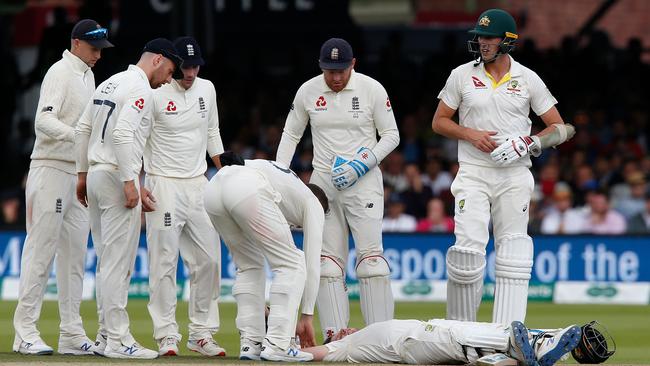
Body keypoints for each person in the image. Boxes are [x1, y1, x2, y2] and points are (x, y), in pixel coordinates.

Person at [432, 8, 575, 325]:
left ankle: (505, 338)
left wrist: (529, 143)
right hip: (473, 173)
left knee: (513, 252)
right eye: (480, 36)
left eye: (489, 37)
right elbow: (439, 121)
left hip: (514, 175)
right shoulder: (461, 75)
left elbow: (562, 129)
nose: (482, 42)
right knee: (467, 252)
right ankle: (460, 336)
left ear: (507, 40)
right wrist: (469, 133)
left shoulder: (527, 79)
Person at [276, 37, 400, 340]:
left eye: (341, 71)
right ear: (321, 67)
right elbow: (291, 134)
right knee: (327, 264)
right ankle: (335, 335)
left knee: (371, 262)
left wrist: (362, 163)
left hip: (365, 182)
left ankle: (380, 337)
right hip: (324, 185)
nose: (335, 77)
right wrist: (278, 178)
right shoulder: (308, 90)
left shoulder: (372, 89)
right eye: (330, 71)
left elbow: (391, 135)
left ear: (353, 64)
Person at [74, 38, 182, 359]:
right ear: (158, 60)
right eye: (170, 72)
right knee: (117, 263)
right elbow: (122, 135)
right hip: (114, 175)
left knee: (107, 261)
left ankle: (106, 336)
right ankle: (119, 341)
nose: (168, 81)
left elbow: (82, 129)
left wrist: (82, 175)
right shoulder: (141, 90)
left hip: (96, 174)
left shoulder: (110, 82)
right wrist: (129, 181)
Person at [13, 19, 113, 356]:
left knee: (74, 258)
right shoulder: (59, 71)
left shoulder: (88, 75)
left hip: (77, 174)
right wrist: (78, 137)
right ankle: (25, 332)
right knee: (40, 251)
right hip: (51, 169)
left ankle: (71, 332)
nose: (99, 54)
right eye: (94, 48)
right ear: (76, 43)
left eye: (101, 49)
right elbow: (43, 120)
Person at [142, 36, 226, 357]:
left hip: (198, 183)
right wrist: (137, 182)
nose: (190, 73)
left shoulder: (208, 89)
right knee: (164, 260)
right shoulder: (156, 94)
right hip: (163, 183)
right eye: (186, 67)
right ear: (174, 64)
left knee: (209, 259)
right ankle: (166, 335)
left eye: (195, 66)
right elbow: (137, 137)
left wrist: (226, 170)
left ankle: (201, 333)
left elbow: (212, 132)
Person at [203, 158, 328, 361]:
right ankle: (279, 344)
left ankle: (251, 343)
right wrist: (307, 316)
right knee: (293, 263)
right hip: (245, 188)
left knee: (248, 265)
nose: (295, 227)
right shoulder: (313, 202)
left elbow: (235, 160)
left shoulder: (285, 182)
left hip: (214, 188)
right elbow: (312, 264)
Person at [301, 319, 583, 366]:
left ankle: (542, 340)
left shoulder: (362, 332)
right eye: (337, 332)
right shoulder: (343, 348)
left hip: (423, 332)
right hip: (410, 345)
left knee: (459, 330)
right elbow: (306, 355)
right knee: (454, 337)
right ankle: (538, 343)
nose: (344, 329)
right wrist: (284, 349)